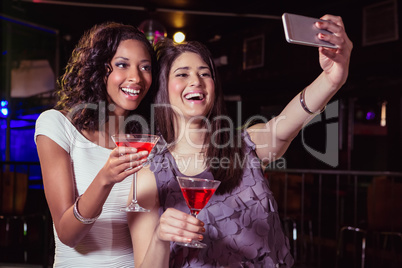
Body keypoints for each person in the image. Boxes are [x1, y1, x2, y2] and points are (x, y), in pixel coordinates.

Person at [130, 14, 352, 267]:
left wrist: (332, 79)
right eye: (182, 74)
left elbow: (288, 122)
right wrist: (160, 237)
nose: (196, 81)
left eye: (205, 73)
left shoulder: (246, 146)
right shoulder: (149, 173)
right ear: (163, 89)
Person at [34, 21, 156, 267]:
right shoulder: (57, 126)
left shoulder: (148, 138)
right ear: (100, 69)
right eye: (122, 64)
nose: (136, 77)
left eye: (145, 67)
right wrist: (105, 179)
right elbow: (68, 234)